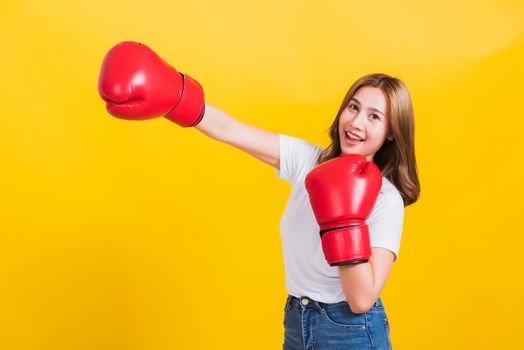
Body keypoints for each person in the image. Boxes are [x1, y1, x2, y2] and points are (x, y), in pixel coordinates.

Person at [98, 41, 420, 350]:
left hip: (349, 332)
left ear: (391, 132)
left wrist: (344, 218)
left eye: (374, 116)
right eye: (354, 107)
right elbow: (230, 130)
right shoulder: (308, 161)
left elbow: (361, 299)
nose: (356, 122)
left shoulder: (385, 201)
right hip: (298, 320)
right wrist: (174, 95)